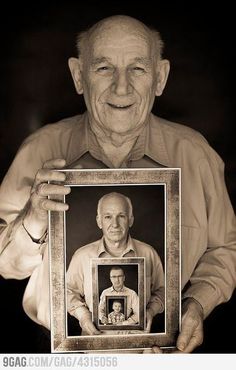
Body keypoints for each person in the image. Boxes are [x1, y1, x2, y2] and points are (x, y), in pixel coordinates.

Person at [0, 14, 235, 353]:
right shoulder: (40, 151)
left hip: (161, 356)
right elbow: (6, 268)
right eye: (103, 68)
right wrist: (32, 220)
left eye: (138, 69)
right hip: (66, 357)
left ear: (160, 77)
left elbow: (225, 249)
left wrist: (196, 304)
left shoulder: (196, 155)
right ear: (79, 76)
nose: (121, 87)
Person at [67, 192, 164, 334]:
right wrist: (83, 316)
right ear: (99, 221)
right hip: (96, 347)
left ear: (130, 220)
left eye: (121, 216)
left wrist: (150, 311)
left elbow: (163, 291)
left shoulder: (149, 253)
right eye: (108, 217)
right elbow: (67, 292)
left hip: (140, 347)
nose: (115, 224)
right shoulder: (81, 256)